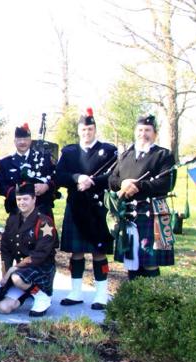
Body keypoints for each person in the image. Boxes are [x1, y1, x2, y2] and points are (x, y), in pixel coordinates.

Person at [55, 108, 118, 310]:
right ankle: (75, 292)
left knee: (99, 251)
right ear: (78, 130)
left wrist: (93, 182)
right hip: (76, 206)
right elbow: (59, 176)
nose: (86, 132)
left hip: (97, 208)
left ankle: (101, 294)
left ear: (95, 129)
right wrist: (77, 178)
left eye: (90, 129)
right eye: (83, 129)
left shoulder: (108, 151)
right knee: (76, 252)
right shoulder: (69, 152)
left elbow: (114, 176)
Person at [108, 115, 176, 280]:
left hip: (152, 212)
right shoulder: (126, 155)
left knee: (149, 260)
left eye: (147, 130)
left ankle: (150, 301)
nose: (143, 134)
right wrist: (124, 183)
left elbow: (167, 183)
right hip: (129, 213)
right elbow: (112, 180)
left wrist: (137, 186)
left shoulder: (163, 155)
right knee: (132, 258)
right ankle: (133, 298)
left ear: (155, 134)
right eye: (140, 130)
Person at [0, 183, 58, 317]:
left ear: (34, 199)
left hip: (41, 268)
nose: (21, 202)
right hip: (22, 271)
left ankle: (42, 296)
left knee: (17, 278)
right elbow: (5, 249)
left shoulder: (44, 222)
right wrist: (5, 273)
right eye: (19, 199)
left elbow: (40, 255)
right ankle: (29, 291)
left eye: (25, 199)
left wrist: (14, 269)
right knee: (3, 307)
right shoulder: (12, 220)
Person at [0, 122, 56, 217]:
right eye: (19, 139)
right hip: (17, 211)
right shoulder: (5, 163)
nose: (22, 142)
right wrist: (18, 193)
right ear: (14, 141)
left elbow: (56, 178)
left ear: (31, 141)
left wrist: (46, 186)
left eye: (25, 139)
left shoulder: (44, 158)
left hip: (42, 210)